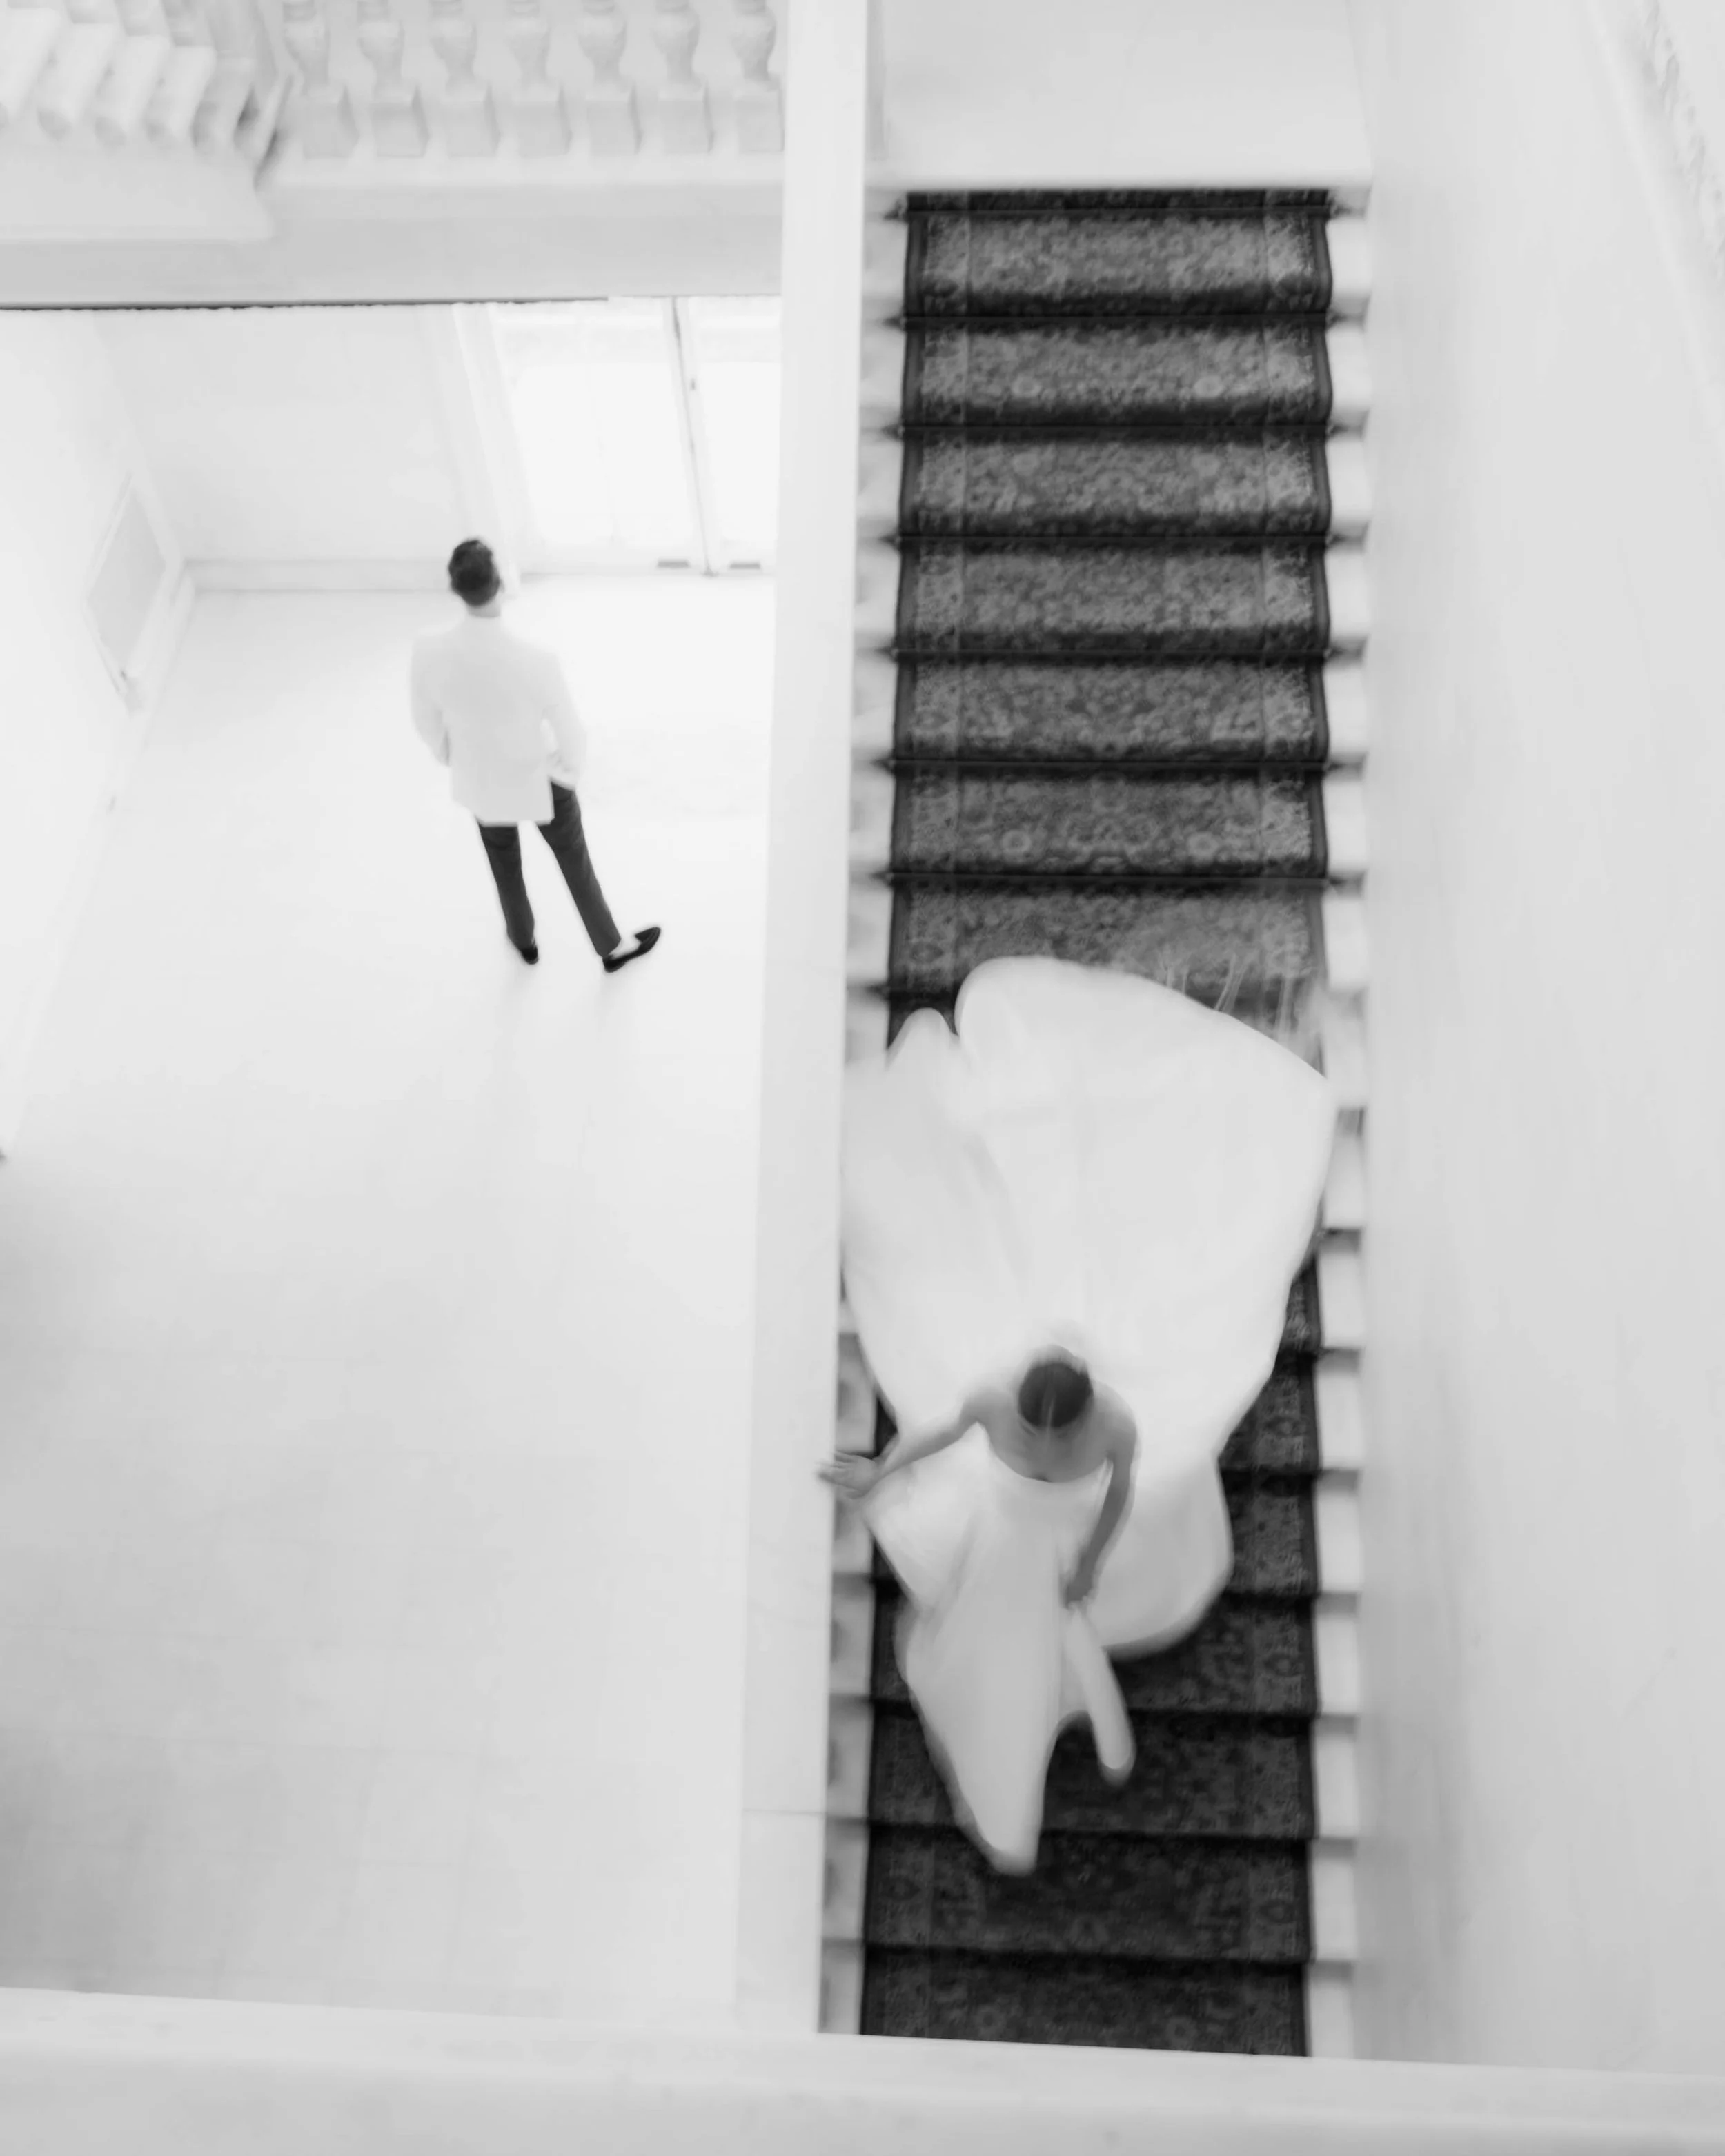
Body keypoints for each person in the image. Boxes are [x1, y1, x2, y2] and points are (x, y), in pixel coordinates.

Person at [821, 955, 1336, 1873]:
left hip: (1014, 1540)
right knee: (1026, 1635)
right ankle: (1081, 1728)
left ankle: (1059, 1740)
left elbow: (939, 1439)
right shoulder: (1112, 1426)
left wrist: (884, 1474)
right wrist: (1091, 1562)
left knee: (1007, 1637)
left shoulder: (1016, 1407)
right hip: (1042, 1545)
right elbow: (1112, 1498)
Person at [411, 538, 660, 973]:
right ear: (502, 585)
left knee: (502, 861)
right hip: (542, 781)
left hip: (481, 779)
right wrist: (568, 772)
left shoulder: (429, 650)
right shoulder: (536, 660)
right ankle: (610, 947)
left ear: (456, 588)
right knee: (575, 863)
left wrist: (453, 756)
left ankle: (522, 939)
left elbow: (425, 721)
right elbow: (571, 734)